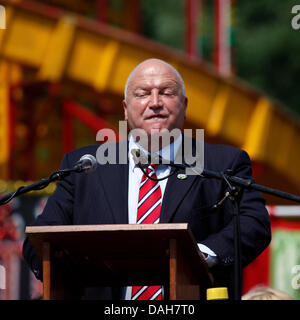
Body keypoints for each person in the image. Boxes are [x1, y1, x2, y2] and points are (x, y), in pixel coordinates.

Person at [23, 58, 271, 300]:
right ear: (125, 109)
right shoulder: (85, 167)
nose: (155, 103)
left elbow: (254, 224)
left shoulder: (222, 164)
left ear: (184, 105)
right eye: (142, 94)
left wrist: (200, 255)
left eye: (166, 92)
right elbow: (38, 242)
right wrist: (75, 272)